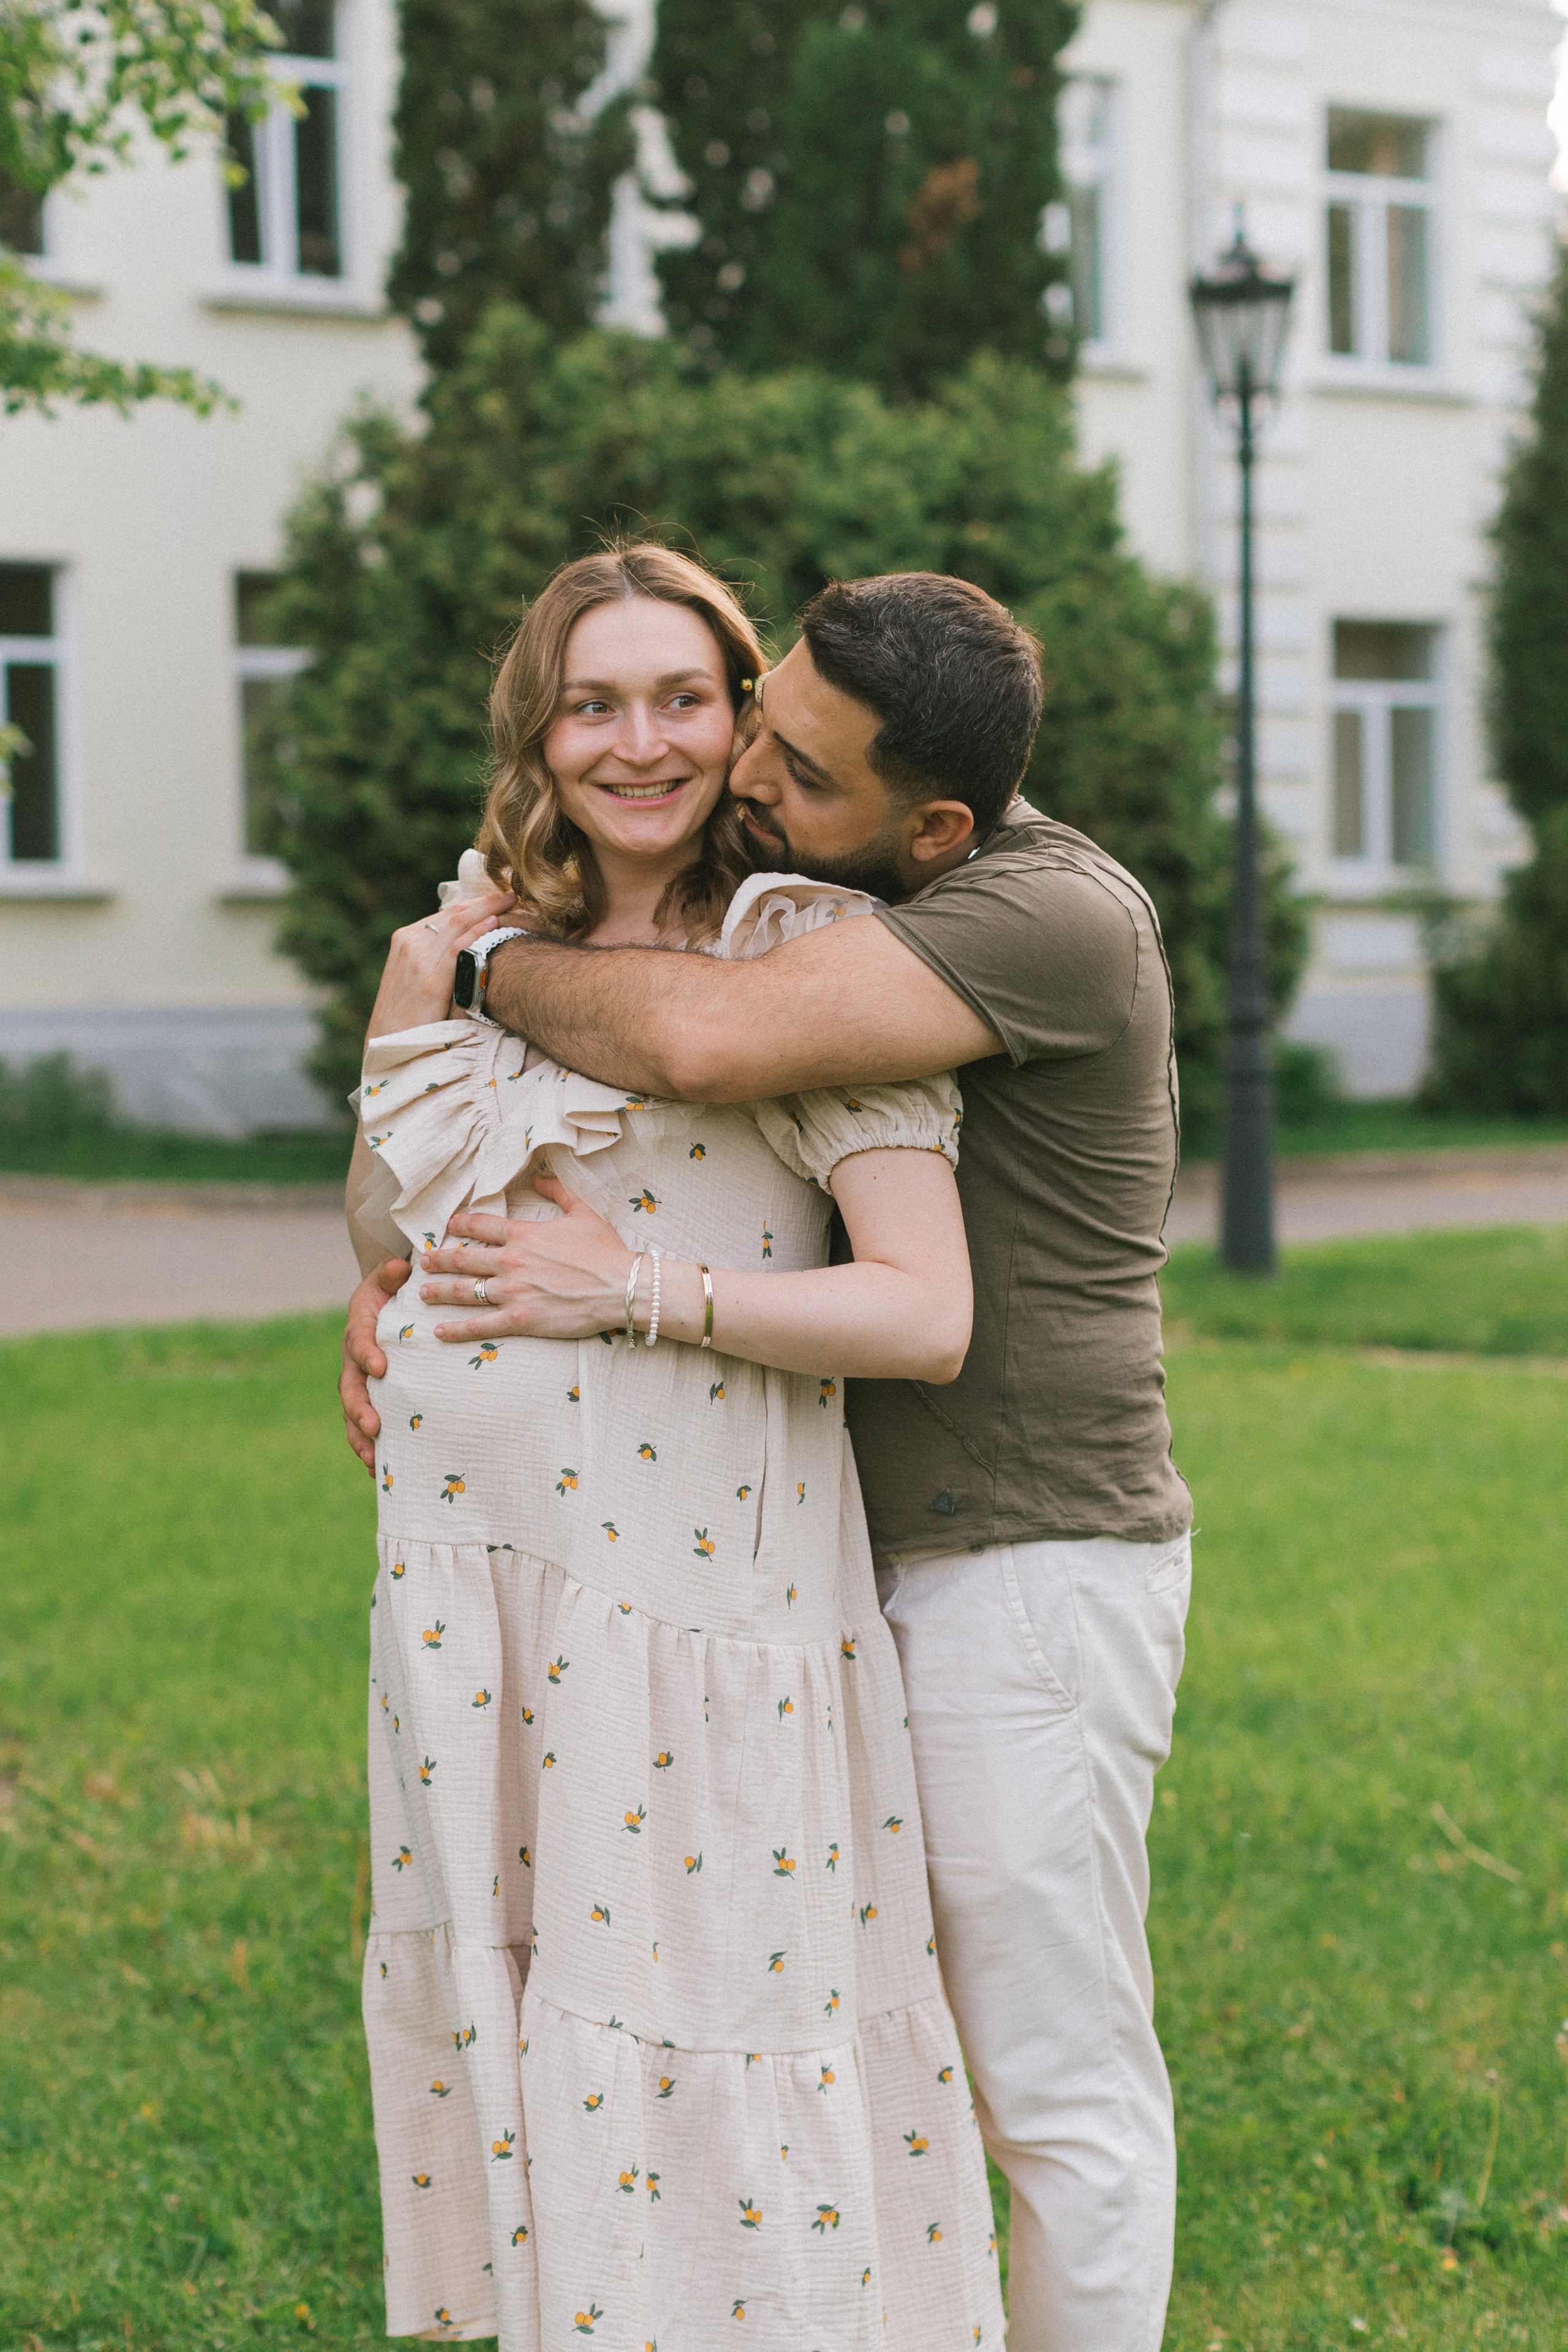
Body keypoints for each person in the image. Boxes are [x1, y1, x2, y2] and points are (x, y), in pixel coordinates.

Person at [344, 565, 1194, 2352]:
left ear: (929, 821)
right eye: (603, 704)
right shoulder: (740, 894)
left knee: (1034, 2073)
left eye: (772, 749)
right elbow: (418, 1201)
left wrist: (478, 967)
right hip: (734, 1569)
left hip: (1014, 1565)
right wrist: (393, 1301)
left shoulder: (1027, 917)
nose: (731, 776)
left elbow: (703, 1045)